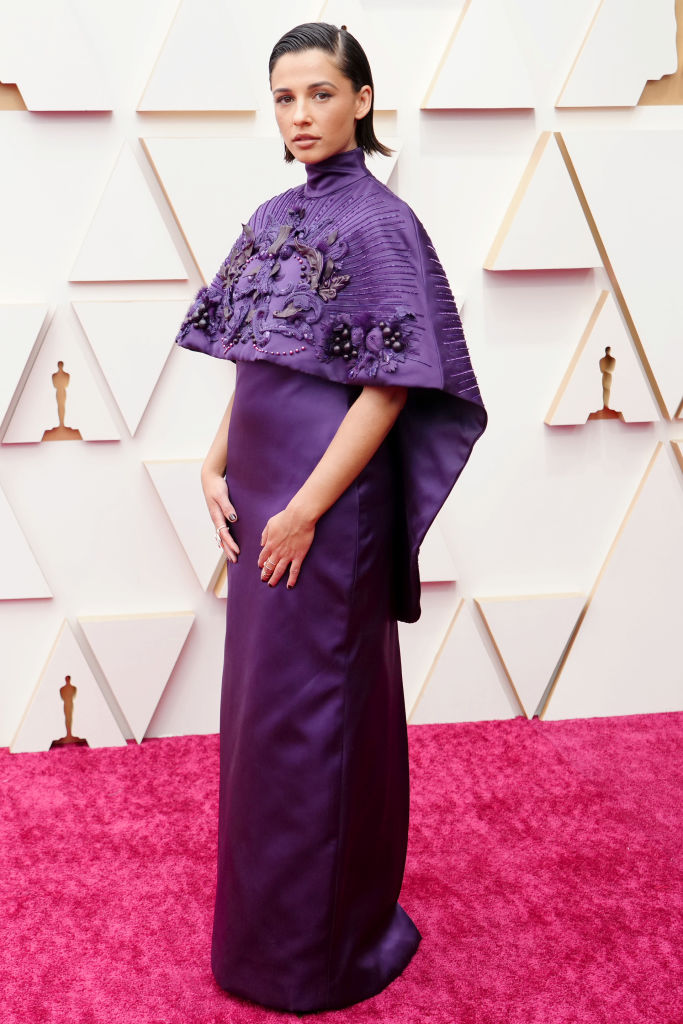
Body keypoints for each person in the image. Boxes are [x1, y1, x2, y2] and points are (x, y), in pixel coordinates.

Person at [174, 21, 488, 1014]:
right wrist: (216, 463)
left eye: (317, 94)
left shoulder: (378, 225)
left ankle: (319, 952)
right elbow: (260, 355)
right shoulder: (272, 216)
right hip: (265, 498)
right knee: (262, 722)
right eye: (282, 98)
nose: (299, 114)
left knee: (312, 722)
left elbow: (388, 390)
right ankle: (265, 937)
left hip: (324, 509)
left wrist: (306, 508)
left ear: (360, 99)